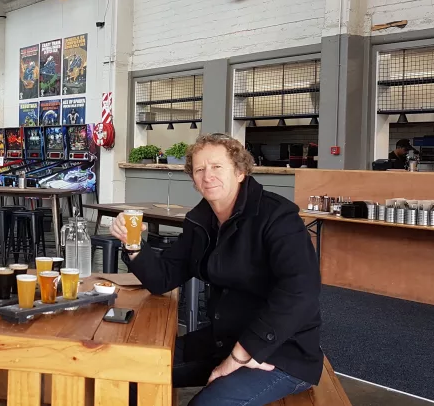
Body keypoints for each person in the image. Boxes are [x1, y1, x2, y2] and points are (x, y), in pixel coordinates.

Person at [110, 133, 322, 406]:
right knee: (128, 372)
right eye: (199, 169)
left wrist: (241, 356)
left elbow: (300, 292)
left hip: (280, 351)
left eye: (217, 167)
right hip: (224, 339)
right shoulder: (201, 221)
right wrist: (134, 245)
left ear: (240, 172)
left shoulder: (277, 216)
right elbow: (163, 279)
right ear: (194, 180)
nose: (207, 175)